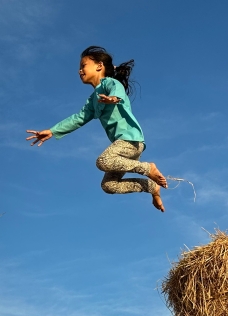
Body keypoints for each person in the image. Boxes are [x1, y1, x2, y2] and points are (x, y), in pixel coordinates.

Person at [27, 46, 168, 212]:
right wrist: (52, 131)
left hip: (130, 140)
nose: (80, 70)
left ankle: (147, 168)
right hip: (123, 150)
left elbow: (118, 91)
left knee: (103, 161)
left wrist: (114, 98)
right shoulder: (93, 99)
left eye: (83, 66)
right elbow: (79, 118)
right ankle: (151, 187)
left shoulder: (110, 83)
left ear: (99, 66)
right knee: (109, 185)